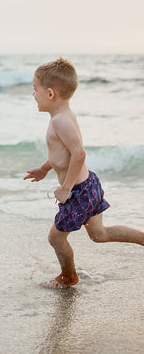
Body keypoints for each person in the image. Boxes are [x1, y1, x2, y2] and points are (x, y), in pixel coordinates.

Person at [24, 58, 144, 288]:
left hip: (78, 192)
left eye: (34, 89)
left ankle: (69, 276)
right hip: (89, 185)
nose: (32, 94)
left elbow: (79, 154)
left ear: (50, 94)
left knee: (55, 238)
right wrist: (44, 168)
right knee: (99, 234)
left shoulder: (60, 121)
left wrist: (67, 188)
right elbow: (62, 155)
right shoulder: (63, 116)